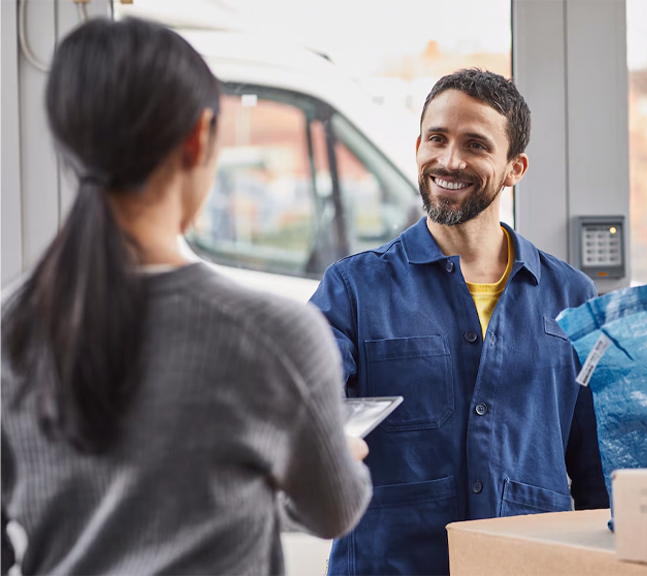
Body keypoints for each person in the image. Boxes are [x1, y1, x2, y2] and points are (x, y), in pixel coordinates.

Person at [0, 18, 372, 576]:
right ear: (200, 137)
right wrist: (342, 455)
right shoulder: (276, 335)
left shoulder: (14, 324)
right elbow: (333, 512)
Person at [310, 68, 609, 575]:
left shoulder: (571, 297)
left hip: (526, 565)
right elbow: (304, 409)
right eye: (437, 139)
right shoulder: (353, 289)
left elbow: (595, 468)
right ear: (418, 145)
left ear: (515, 167)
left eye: (475, 144)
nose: (449, 161)